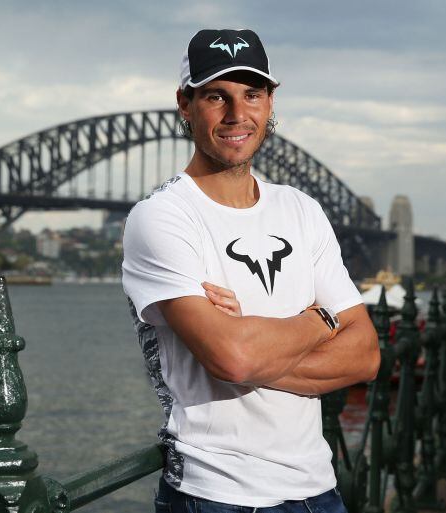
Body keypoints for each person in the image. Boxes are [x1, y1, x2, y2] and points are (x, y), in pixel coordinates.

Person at [122, 28, 380, 513]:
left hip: (319, 491)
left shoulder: (301, 209)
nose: (238, 115)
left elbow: (365, 355)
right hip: (214, 494)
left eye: (252, 95)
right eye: (217, 96)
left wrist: (251, 343)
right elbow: (235, 360)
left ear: (270, 101)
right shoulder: (161, 217)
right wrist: (321, 320)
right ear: (184, 103)